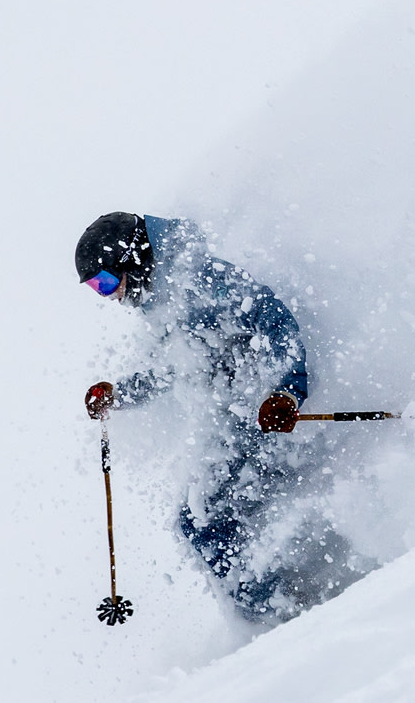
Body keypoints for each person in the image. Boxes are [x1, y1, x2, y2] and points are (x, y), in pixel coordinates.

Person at [76, 211, 363, 621]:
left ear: (134, 259)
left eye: (106, 282)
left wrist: (285, 390)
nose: (111, 296)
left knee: (204, 520)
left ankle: (286, 617)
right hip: (239, 418)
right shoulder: (166, 299)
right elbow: (172, 367)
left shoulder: (201, 276)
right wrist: (120, 395)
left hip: (270, 413)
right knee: (200, 521)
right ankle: (288, 600)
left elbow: (272, 317)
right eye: (96, 289)